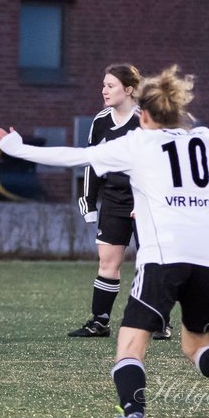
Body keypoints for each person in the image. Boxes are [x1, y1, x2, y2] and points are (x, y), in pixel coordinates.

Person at [0, 67, 209, 418]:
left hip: (164, 258)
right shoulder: (204, 141)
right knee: (196, 344)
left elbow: (76, 156)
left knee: (130, 345)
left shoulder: (138, 144)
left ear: (144, 115)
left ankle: (134, 414)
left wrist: (17, 148)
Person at [70, 64, 143, 339]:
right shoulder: (101, 120)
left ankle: (159, 321)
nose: (104, 90)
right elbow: (92, 162)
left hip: (145, 202)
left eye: (110, 85)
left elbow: (160, 166)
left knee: (152, 264)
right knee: (107, 262)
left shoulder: (146, 120)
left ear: (129, 89)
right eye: (104, 85)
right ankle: (99, 321)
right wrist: (88, 201)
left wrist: (149, 202)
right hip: (113, 201)